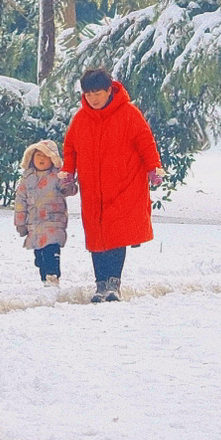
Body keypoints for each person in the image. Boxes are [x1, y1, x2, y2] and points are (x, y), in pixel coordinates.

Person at [57, 66, 162, 302]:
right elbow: (71, 148)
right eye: (88, 94)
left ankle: (114, 283)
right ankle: (100, 284)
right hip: (92, 186)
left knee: (116, 233)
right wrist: (68, 171)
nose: (93, 99)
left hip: (124, 184)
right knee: (96, 235)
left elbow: (146, 143)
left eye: (97, 93)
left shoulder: (129, 114)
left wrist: (153, 168)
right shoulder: (81, 119)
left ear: (109, 90)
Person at [14, 140, 77, 298]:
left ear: (53, 159)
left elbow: (68, 189)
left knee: (51, 249)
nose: (41, 159)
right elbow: (20, 202)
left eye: (45, 156)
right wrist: (20, 223)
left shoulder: (57, 176)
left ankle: (53, 275)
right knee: (40, 255)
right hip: (34, 225)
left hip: (53, 221)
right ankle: (44, 276)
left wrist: (68, 185)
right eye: (38, 155)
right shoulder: (27, 179)